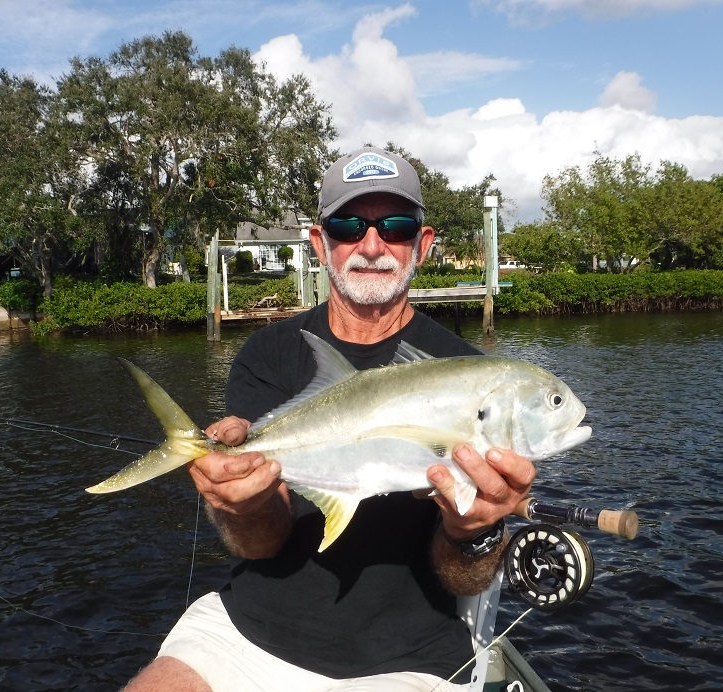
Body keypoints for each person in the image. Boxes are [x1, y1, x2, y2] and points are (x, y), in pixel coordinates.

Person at [125, 147, 535, 692]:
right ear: (320, 244)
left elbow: (464, 577)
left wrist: (474, 530)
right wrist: (241, 504)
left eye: (395, 226)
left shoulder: (470, 377)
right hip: (248, 632)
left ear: (423, 242)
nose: (371, 246)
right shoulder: (268, 354)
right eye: (348, 225)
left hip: (409, 658)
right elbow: (260, 543)